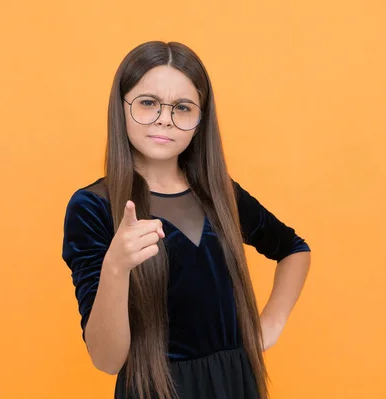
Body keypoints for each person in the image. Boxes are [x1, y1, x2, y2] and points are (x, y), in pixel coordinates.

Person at [61, 41, 312, 399]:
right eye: (148, 103)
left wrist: (270, 323)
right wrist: (116, 267)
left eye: (183, 107)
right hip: (156, 389)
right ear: (121, 108)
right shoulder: (93, 207)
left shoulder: (221, 193)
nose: (165, 118)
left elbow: (293, 249)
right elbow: (107, 359)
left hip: (236, 384)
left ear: (200, 119)